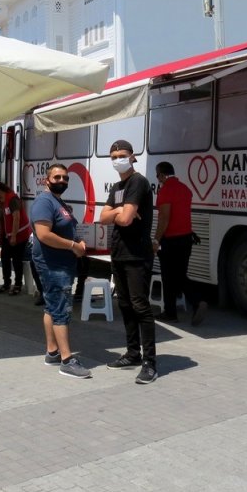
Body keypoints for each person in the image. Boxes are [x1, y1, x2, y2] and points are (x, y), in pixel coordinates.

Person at [99, 140, 158, 385]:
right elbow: (103, 217)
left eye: (121, 155)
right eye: (113, 155)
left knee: (140, 306)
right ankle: (133, 353)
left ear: (132, 156)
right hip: (119, 253)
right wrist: (119, 211)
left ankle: (150, 362)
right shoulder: (117, 185)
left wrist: (118, 212)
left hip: (137, 254)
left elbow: (124, 220)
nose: (117, 159)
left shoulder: (138, 182)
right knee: (124, 304)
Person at [31, 164, 91, 379]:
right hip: (52, 264)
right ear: (47, 179)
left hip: (62, 264)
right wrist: (72, 246)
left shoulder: (57, 202)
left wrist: (77, 240)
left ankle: (52, 352)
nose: (62, 181)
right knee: (61, 310)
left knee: (52, 307)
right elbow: (44, 235)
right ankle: (67, 360)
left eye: (65, 178)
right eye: (57, 177)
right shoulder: (44, 202)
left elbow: (63, 228)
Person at [152, 162, 208, 326]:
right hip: (186, 239)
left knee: (169, 276)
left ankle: (181, 308)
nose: (158, 179)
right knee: (180, 274)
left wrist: (156, 240)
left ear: (162, 175)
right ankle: (178, 309)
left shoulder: (165, 191)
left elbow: (164, 218)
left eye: (157, 176)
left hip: (171, 240)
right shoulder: (185, 189)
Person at [0, 180, 32, 296]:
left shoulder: (12, 199)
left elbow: (16, 218)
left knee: (17, 259)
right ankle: (6, 283)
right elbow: (2, 220)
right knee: (4, 258)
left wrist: (14, 236)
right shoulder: (0, 201)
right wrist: (2, 237)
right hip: (8, 234)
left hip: (20, 234)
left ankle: (18, 285)